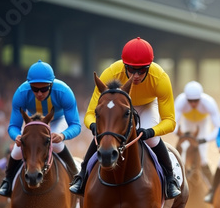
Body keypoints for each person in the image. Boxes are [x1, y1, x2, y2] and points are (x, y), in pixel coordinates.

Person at [69, 37, 181, 199]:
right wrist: (94, 126)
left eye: (141, 70)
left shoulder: (161, 79)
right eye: (131, 69)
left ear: (149, 67)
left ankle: (170, 179)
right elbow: (90, 114)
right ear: (124, 65)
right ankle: (82, 176)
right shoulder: (110, 73)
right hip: (119, 107)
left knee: (151, 140)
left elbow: (170, 121)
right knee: (103, 137)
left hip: (147, 106)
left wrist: (151, 131)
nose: (135, 75)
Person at [0, 60, 81, 197]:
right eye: (35, 89)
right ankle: (7, 181)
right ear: (29, 85)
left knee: (57, 143)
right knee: (18, 150)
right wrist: (17, 136)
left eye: (44, 89)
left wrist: (63, 135)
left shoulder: (64, 92)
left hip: (58, 119)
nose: (39, 93)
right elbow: (13, 126)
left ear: (51, 84)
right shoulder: (21, 93)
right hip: (34, 122)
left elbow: (76, 125)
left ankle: (77, 177)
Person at [174, 81, 220, 186]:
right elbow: (172, 123)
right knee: (183, 155)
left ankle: (212, 187)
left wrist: (205, 139)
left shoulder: (209, 102)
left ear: (201, 98)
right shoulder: (180, 101)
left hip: (202, 124)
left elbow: (219, 127)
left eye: (196, 101)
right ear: (186, 98)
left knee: (202, 158)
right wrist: (180, 134)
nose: (193, 104)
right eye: (190, 101)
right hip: (187, 123)